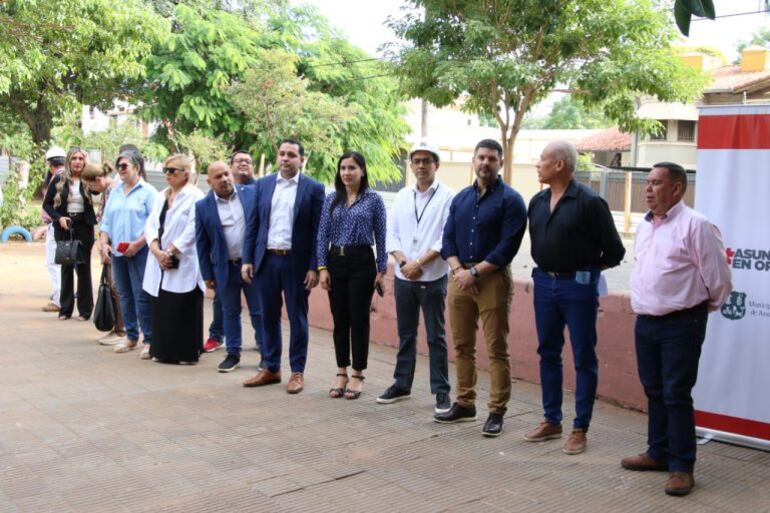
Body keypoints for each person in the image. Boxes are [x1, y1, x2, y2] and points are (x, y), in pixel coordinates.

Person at [622, 162, 732, 496]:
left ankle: (682, 466)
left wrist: (695, 309)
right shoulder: (645, 226)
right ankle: (658, 452)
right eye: (648, 183)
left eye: (656, 183)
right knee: (654, 389)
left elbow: (719, 280)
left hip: (681, 323)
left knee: (675, 393)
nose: (648, 189)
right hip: (646, 321)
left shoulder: (696, 225)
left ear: (677, 189)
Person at [522, 141, 626, 454]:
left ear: (560, 166)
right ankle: (552, 420)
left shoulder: (590, 202)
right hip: (543, 283)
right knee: (548, 352)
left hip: (578, 286)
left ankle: (580, 428)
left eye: (542, 159)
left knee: (583, 357)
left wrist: (587, 272)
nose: (537, 164)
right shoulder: (537, 201)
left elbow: (616, 251)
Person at [434, 139, 527, 437]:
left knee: (496, 349)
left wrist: (474, 272)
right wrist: (460, 271)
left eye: (491, 159)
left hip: (492, 280)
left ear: (500, 163)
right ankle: (465, 403)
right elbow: (447, 239)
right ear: (473, 161)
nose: (485, 163)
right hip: (460, 278)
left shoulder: (511, 200)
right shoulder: (460, 199)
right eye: (481, 158)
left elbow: (506, 248)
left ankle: (497, 411)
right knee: (462, 346)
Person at [242, 139, 325, 393]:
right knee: (267, 315)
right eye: (282, 154)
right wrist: (247, 259)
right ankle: (271, 368)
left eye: (291, 155)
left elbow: (318, 231)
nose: (286, 158)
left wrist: (314, 266)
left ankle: (297, 371)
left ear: (301, 159)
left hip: (296, 263)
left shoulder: (313, 188)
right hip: (266, 260)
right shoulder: (264, 184)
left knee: (297, 317)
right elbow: (253, 225)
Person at [378, 142, 454, 413]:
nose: (421, 165)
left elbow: (446, 237)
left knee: (436, 336)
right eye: (417, 161)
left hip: (433, 276)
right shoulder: (401, 196)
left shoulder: (448, 197)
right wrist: (402, 261)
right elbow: (391, 233)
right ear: (411, 165)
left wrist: (419, 263)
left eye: (427, 161)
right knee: (406, 334)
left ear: (437, 165)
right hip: (403, 276)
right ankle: (401, 385)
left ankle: (442, 393)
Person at [317, 152, 387, 400]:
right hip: (336, 260)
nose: (346, 172)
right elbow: (322, 235)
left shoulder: (374, 200)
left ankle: (357, 372)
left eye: (352, 168)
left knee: (359, 319)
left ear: (362, 171)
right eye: (343, 168)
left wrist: (382, 269)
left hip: (361, 262)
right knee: (340, 320)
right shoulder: (331, 200)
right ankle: (341, 370)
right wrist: (322, 268)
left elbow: (381, 235)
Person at [196, 161, 263, 372]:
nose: (224, 179)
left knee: (259, 311)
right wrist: (207, 274)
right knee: (229, 312)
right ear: (209, 182)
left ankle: (267, 352)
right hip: (224, 269)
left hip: (252, 266)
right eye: (218, 177)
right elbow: (202, 243)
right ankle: (233, 354)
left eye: (226, 174)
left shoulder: (251, 193)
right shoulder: (202, 206)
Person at [143, 155, 205, 364]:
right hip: (159, 258)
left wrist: (170, 252)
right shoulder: (161, 195)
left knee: (181, 307)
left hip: (183, 259)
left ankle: (185, 354)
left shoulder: (196, 196)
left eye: (173, 171)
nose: (168, 174)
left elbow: (193, 228)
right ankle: (161, 351)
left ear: (186, 173)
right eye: (165, 170)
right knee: (161, 307)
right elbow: (151, 224)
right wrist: (155, 249)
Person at [100, 150, 157, 356]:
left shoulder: (149, 192)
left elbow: (154, 224)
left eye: (124, 166)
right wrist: (104, 243)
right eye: (119, 166)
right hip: (117, 252)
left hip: (139, 252)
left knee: (141, 295)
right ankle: (131, 336)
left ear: (137, 167)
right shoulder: (115, 191)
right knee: (124, 294)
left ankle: (149, 339)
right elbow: (106, 221)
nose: (120, 170)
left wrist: (138, 244)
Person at [42, 148, 95, 321]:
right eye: (74, 158)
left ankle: (85, 310)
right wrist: (58, 218)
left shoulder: (89, 180)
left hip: (84, 227)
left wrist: (91, 170)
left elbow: (100, 188)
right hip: (64, 227)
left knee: (83, 267)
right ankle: (65, 310)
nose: (78, 162)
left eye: (81, 158)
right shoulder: (59, 178)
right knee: (66, 266)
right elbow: (47, 205)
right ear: (69, 161)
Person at [82, 162, 127, 345]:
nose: (92, 189)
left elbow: (111, 220)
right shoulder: (110, 190)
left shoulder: (114, 190)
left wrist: (106, 244)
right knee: (113, 286)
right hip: (110, 244)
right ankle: (119, 328)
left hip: (116, 245)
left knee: (117, 288)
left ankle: (122, 330)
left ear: (99, 179)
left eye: (91, 185)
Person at [40, 146, 67, 313]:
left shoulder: (56, 178)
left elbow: (48, 205)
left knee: (54, 263)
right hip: (62, 224)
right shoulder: (67, 177)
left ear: (50, 164)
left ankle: (59, 299)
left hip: (56, 225)